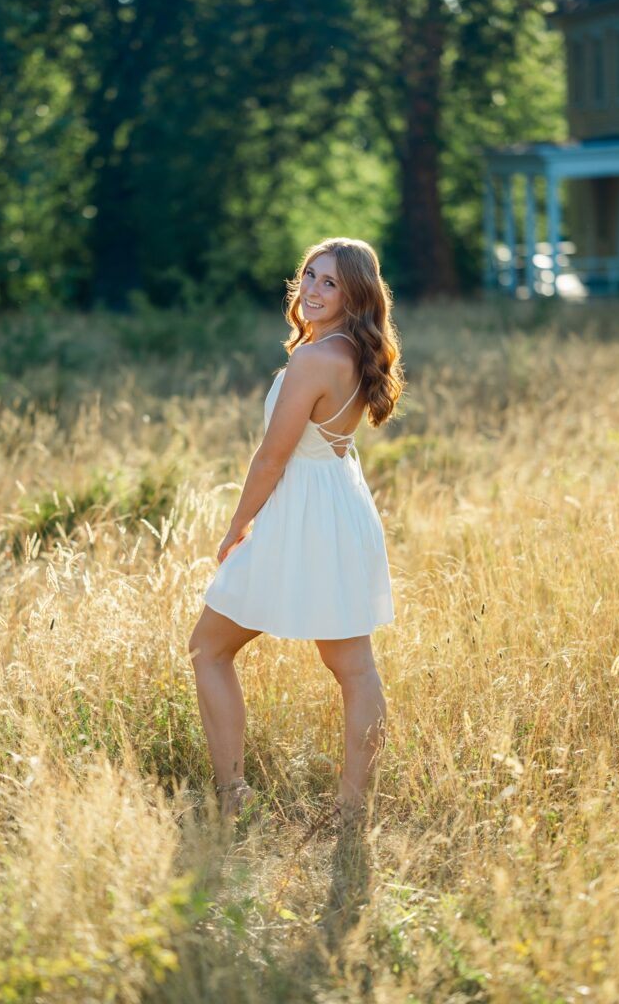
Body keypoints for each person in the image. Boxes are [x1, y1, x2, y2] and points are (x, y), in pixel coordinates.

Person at [189, 237, 405, 823]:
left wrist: (238, 527)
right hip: (336, 509)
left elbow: (272, 457)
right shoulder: (355, 352)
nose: (312, 289)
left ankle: (236, 794)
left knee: (209, 648)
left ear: (354, 292)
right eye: (310, 275)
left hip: (302, 517)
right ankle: (348, 808)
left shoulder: (312, 361)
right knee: (354, 668)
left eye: (329, 282)